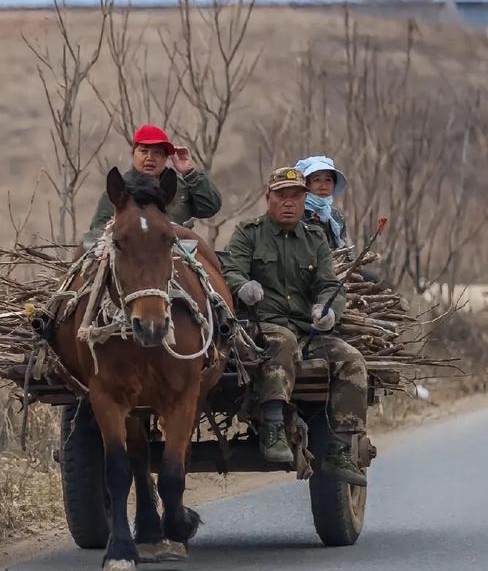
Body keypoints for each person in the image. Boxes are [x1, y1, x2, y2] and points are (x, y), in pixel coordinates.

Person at [221, 166, 368, 484]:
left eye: (296, 196)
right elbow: (231, 269)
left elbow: (330, 284)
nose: (289, 203)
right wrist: (242, 286)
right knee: (283, 341)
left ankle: (341, 448)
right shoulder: (249, 233)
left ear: (305, 200)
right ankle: (273, 427)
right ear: (268, 198)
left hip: (308, 329)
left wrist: (328, 309)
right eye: (281, 196)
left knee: (351, 360)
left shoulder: (314, 239)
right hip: (263, 328)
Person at [82, 124, 222, 247]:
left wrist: (189, 173)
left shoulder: (179, 188)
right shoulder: (119, 190)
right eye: (144, 151)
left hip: (178, 258)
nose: (150, 157)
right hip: (129, 257)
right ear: (133, 153)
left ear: (166, 158)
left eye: (157, 152)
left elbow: (210, 207)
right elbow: (96, 232)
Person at [295, 154, 351, 250]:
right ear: (305, 184)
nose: (323, 186)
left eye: (328, 180)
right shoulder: (296, 214)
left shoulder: (335, 216)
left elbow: (345, 251)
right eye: (316, 180)